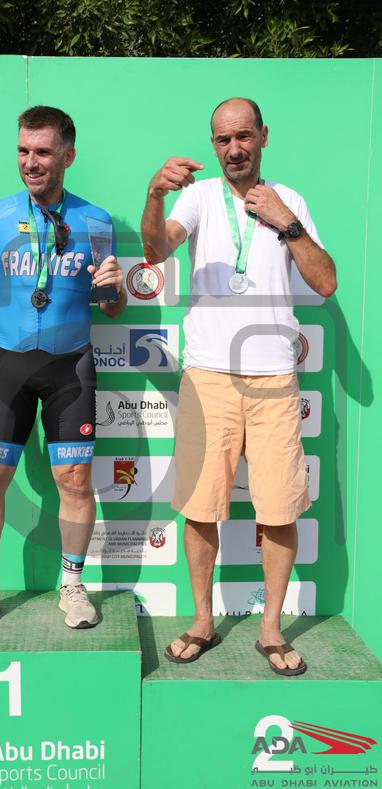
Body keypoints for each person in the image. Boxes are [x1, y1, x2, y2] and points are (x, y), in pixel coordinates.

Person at [141, 97, 336, 675]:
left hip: (275, 376)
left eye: (244, 136)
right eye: (223, 140)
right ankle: (203, 621)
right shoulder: (198, 197)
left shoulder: (290, 199)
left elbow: (325, 282)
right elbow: (156, 250)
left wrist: (285, 221)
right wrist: (154, 195)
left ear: (263, 136)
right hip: (208, 376)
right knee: (201, 509)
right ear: (213, 144)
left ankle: (270, 628)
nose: (234, 149)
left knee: (279, 510)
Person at [0, 106, 126, 633]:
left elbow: (110, 307)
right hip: (9, 364)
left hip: (71, 367)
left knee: (75, 480)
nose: (31, 161)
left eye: (43, 151)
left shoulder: (96, 220)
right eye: (23, 150)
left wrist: (115, 289)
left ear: (68, 155)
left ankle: (72, 584)